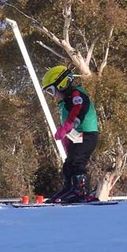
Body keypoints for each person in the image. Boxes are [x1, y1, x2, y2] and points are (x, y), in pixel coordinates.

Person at [41, 65, 99, 204]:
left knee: (77, 161)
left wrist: (66, 127)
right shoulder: (67, 99)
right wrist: (67, 136)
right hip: (78, 136)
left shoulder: (76, 95)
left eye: (51, 91)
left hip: (87, 135)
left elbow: (78, 111)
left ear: (61, 84)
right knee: (68, 164)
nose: (53, 95)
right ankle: (69, 188)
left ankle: (81, 191)